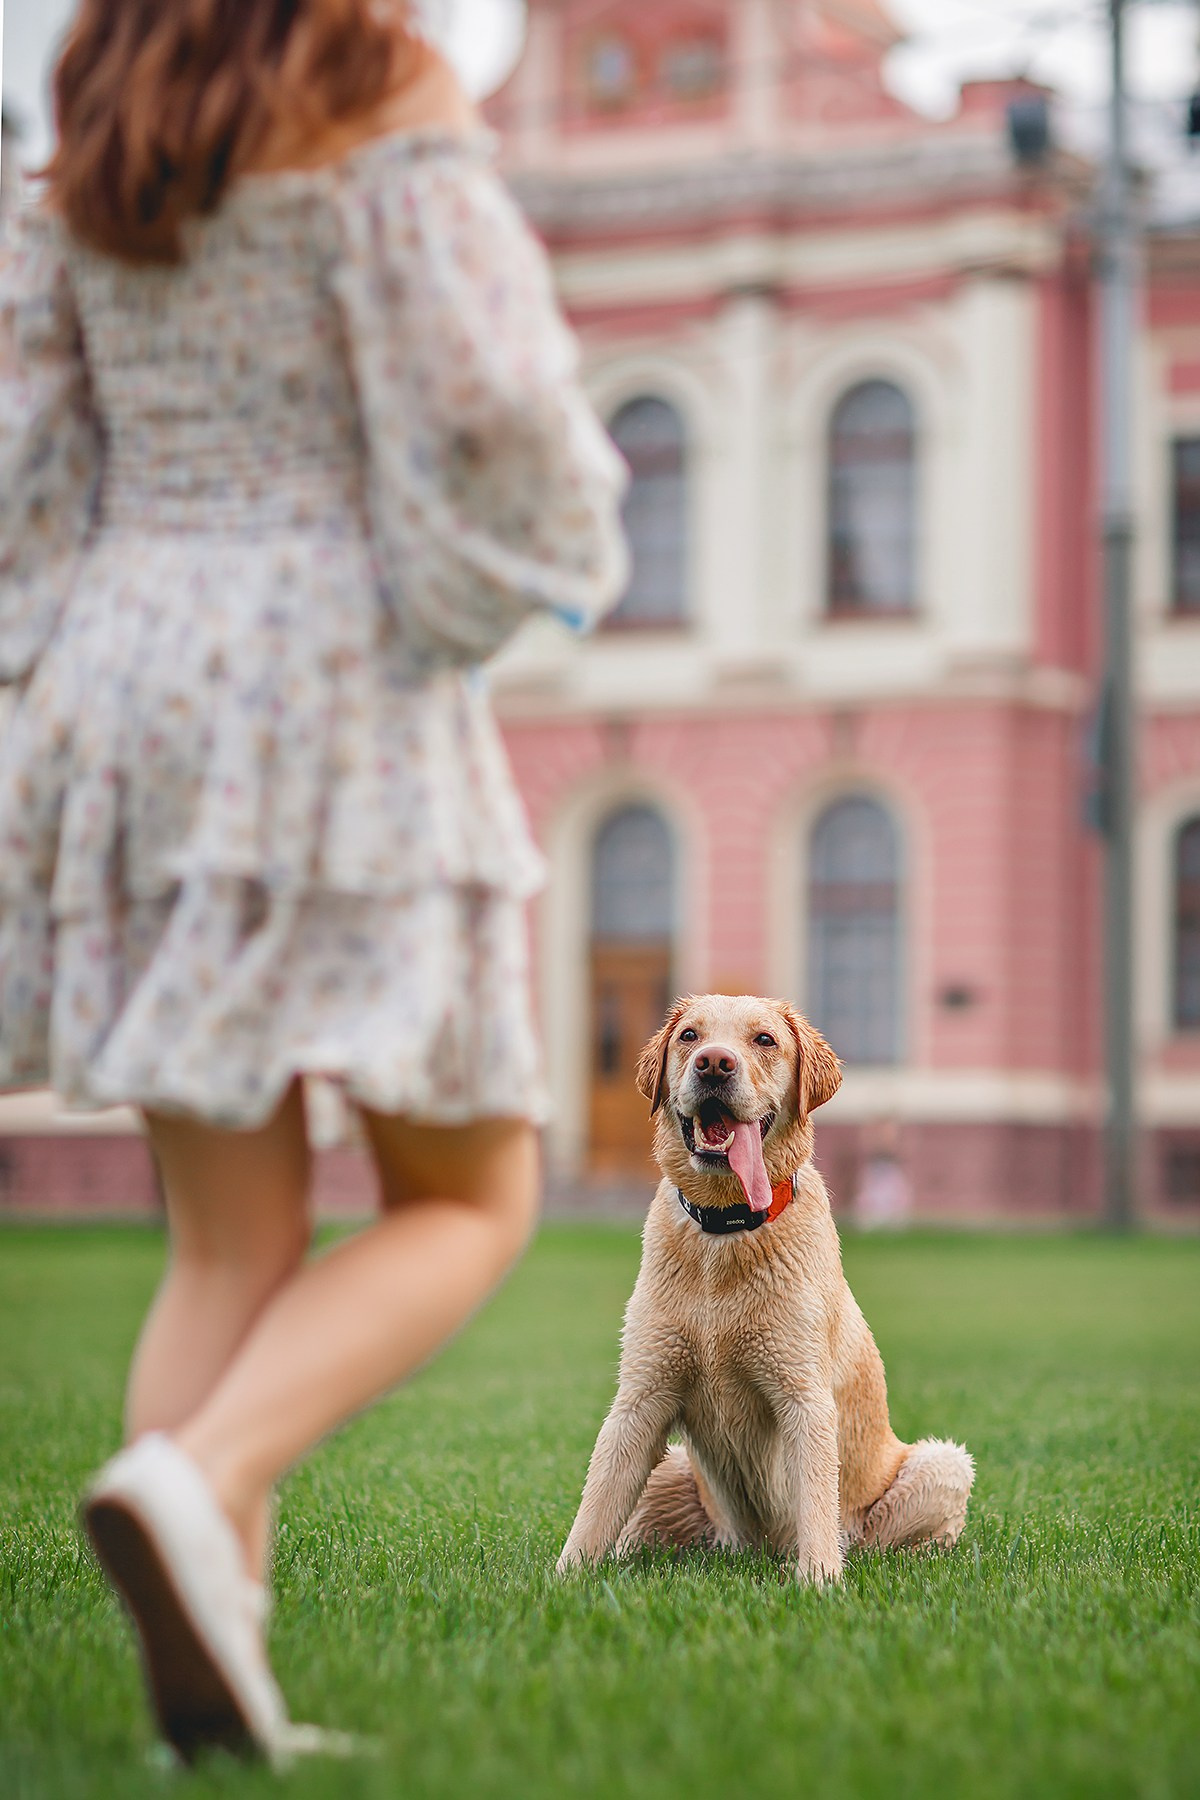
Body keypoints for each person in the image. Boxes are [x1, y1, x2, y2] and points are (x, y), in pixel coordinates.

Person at [0, 0, 627, 1765]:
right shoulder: (375, 83)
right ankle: (195, 1483)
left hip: (129, 683)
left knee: (229, 1237)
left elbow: (25, 459)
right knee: (472, 1190)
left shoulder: (100, 94)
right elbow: (490, 388)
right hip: (326, 676)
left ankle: (215, 1701)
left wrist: (57, 669)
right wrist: (542, 560)